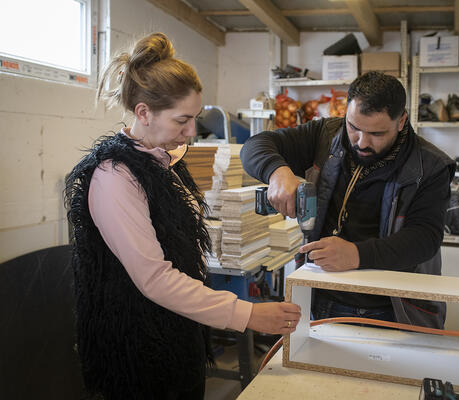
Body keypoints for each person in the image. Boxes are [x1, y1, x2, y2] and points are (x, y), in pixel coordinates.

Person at [65, 32, 301, 400]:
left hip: (175, 334)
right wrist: (247, 315)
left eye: (196, 119)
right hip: (135, 352)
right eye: (182, 121)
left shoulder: (162, 161)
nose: (191, 133)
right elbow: (155, 278)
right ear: (143, 112)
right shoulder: (115, 177)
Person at [241, 71, 455, 329]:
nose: (362, 142)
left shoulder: (430, 166)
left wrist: (356, 254)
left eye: (377, 133)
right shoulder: (325, 134)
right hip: (322, 298)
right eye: (354, 127)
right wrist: (277, 172)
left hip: (393, 309)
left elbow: (424, 239)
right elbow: (254, 146)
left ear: (401, 122)